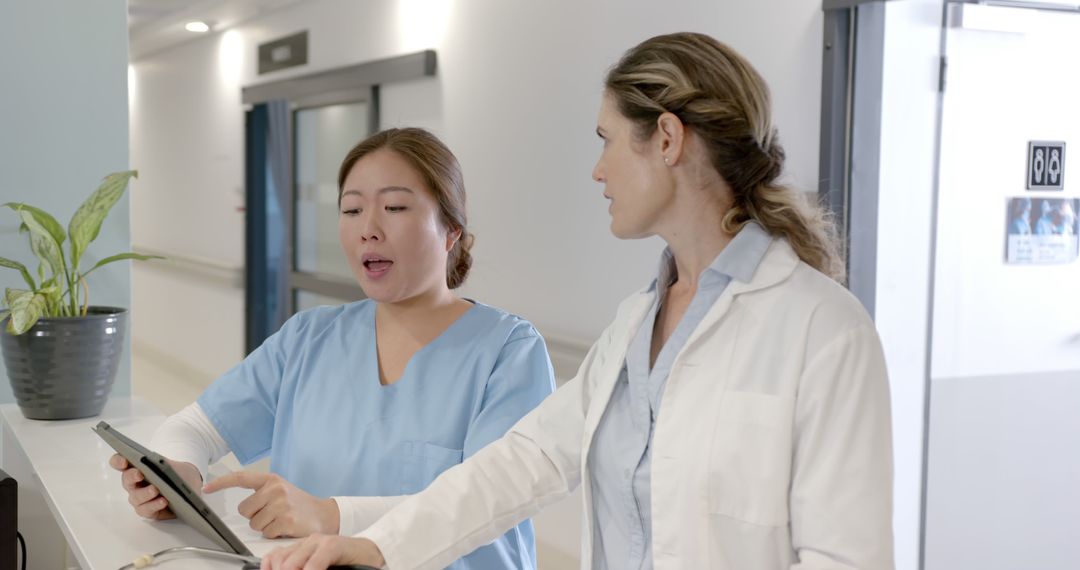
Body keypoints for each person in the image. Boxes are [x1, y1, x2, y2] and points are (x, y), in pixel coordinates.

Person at [264, 32, 894, 570]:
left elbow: (845, 557)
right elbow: (521, 463)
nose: (598, 170)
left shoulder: (822, 327)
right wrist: (371, 545)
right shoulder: (635, 325)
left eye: (608, 140)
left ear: (667, 139)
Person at [108, 128, 555, 569]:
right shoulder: (308, 338)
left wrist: (331, 516)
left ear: (451, 230)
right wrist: (179, 476)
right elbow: (196, 428)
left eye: (395, 207)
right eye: (352, 209)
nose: (368, 229)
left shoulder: (508, 352)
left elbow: (488, 504)